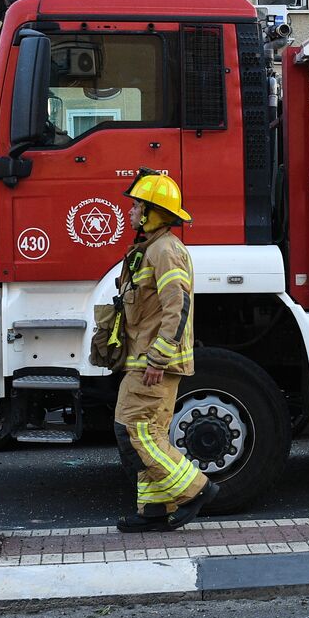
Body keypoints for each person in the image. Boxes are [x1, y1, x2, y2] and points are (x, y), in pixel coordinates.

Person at [114, 169, 217, 532]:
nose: (130, 211)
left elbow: (178, 306)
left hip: (153, 362)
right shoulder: (152, 248)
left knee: (134, 429)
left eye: (136, 205)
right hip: (144, 359)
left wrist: (158, 358)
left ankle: (196, 489)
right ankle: (154, 510)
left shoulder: (166, 251)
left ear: (151, 212)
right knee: (147, 432)